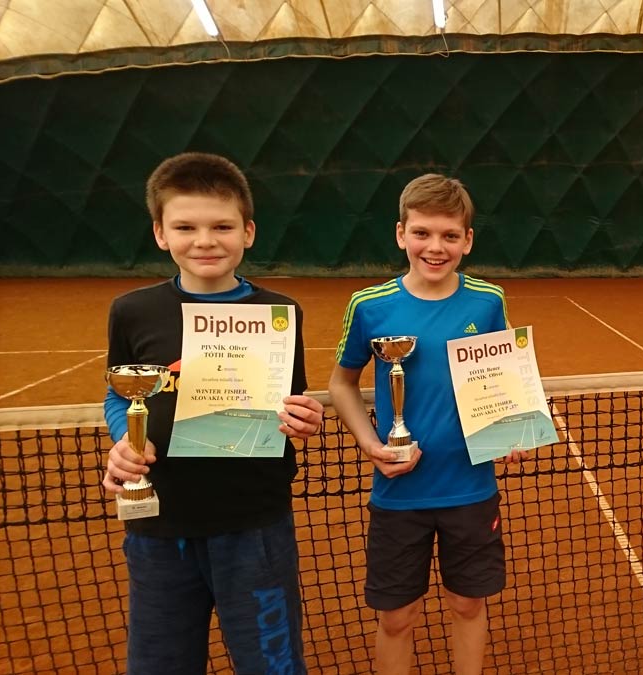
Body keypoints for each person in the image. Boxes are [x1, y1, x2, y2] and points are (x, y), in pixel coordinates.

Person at [101, 152, 325, 674]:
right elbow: (118, 395)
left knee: (272, 665)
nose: (205, 240)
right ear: (160, 233)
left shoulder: (280, 313)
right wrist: (124, 440)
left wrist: (305, 419)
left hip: (254, 528)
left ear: (248, 232)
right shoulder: (132, 311)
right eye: (186, 227)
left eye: (222, 226)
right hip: (160, 528)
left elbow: (290, 402)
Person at [328, 173, 525, 675]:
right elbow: (342, 383)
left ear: (467, 240)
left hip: (470, 488)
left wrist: (512, 428)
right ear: (401, 234)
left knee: (468, 604)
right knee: (397, 617)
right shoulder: (369, 305)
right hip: (399, 492)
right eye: (422, 233)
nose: (435, 247)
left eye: (449, 235)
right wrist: (372, 444)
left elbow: (504, 375)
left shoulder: (488, 300)